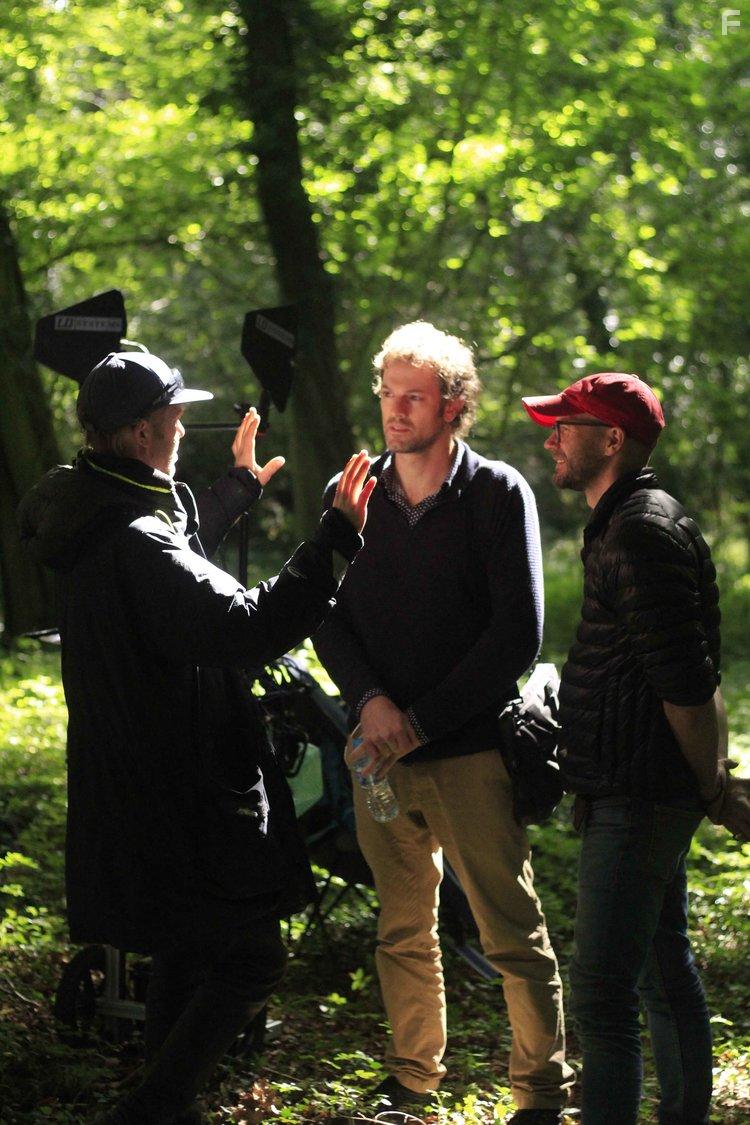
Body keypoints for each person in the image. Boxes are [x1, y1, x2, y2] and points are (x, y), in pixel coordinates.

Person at [18, 349, 376, 1124]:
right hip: (178, 785)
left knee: (187, 944)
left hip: (134, 775)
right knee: (252, 956)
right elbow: (243, 626)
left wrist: (236, 491)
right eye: (176, 415)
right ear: (144, 429)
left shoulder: (91, 507)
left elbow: (169, 553)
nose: (184, 426)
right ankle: (157, 1102)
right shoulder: (134, 537)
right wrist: (333, 539)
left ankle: (160, 1094)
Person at [314, 322, 575, 1124]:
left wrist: (420, 721)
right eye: (388, 393)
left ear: (454, 405)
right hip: (378, 756)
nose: (395, 411)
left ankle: (541, 1093)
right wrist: (368, 702)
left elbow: (516, 635)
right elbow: (320, 607)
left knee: (510, 932)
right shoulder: (352, 491)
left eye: (414, 396)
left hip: (467, 750)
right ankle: (411, 1081)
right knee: (402, 929)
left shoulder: (497, 493)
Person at [522, 371, 750, 1125]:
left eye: (567, 424)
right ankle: (687, 1113)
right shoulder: (628, 522)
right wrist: (709, 785)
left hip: (639, 793)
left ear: (612, 439)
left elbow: (686, 682)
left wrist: (711, 787)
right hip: (635, 786)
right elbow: (690, 666)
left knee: (601, 995)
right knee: (659, 961)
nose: (551, 435)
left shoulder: (641, 529)